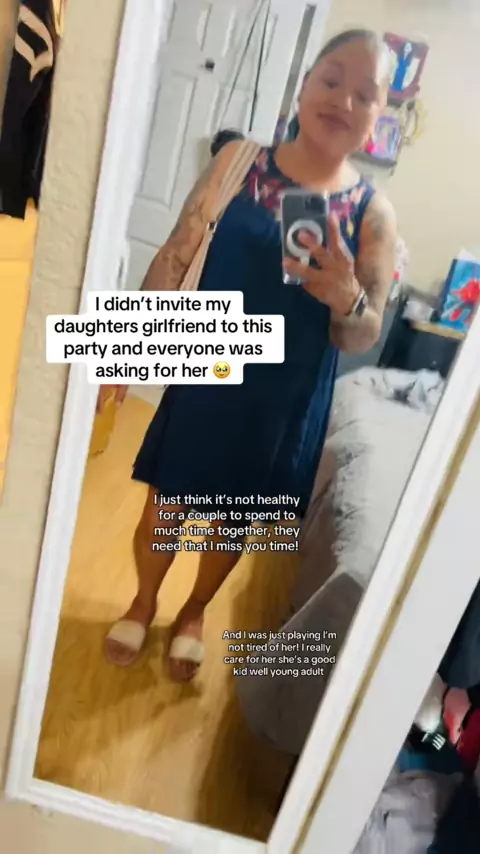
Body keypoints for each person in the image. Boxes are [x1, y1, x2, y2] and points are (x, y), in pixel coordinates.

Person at [98, 29, 397, 682]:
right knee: (167, 505)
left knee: (232, 520)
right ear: (305, 83)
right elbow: (178, 250)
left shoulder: (373, 213)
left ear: (378, 117)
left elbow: (364, 334)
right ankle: (144, 601)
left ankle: (194, 612)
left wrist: (346, 298)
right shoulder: (239, 161)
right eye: (332, 79)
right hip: (208, 371)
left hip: (284, 397)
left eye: (365, 94)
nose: (343, 100)